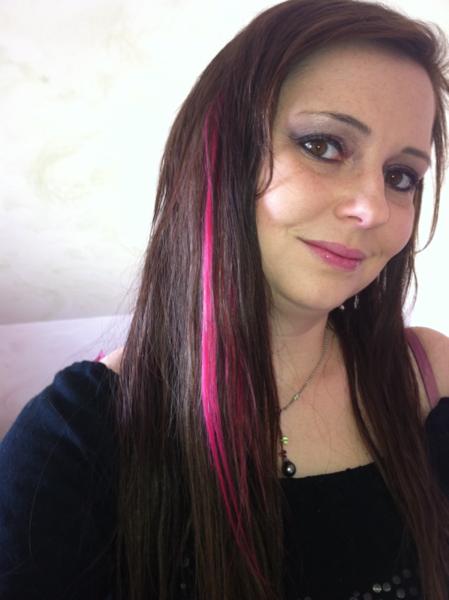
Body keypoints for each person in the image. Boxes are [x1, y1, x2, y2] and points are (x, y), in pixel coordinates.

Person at [1, 0, 449, 598]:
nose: (373, 208)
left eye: (401, 176)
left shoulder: (429, 380)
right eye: (323, 145)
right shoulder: (74, 440)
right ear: (221, 155)